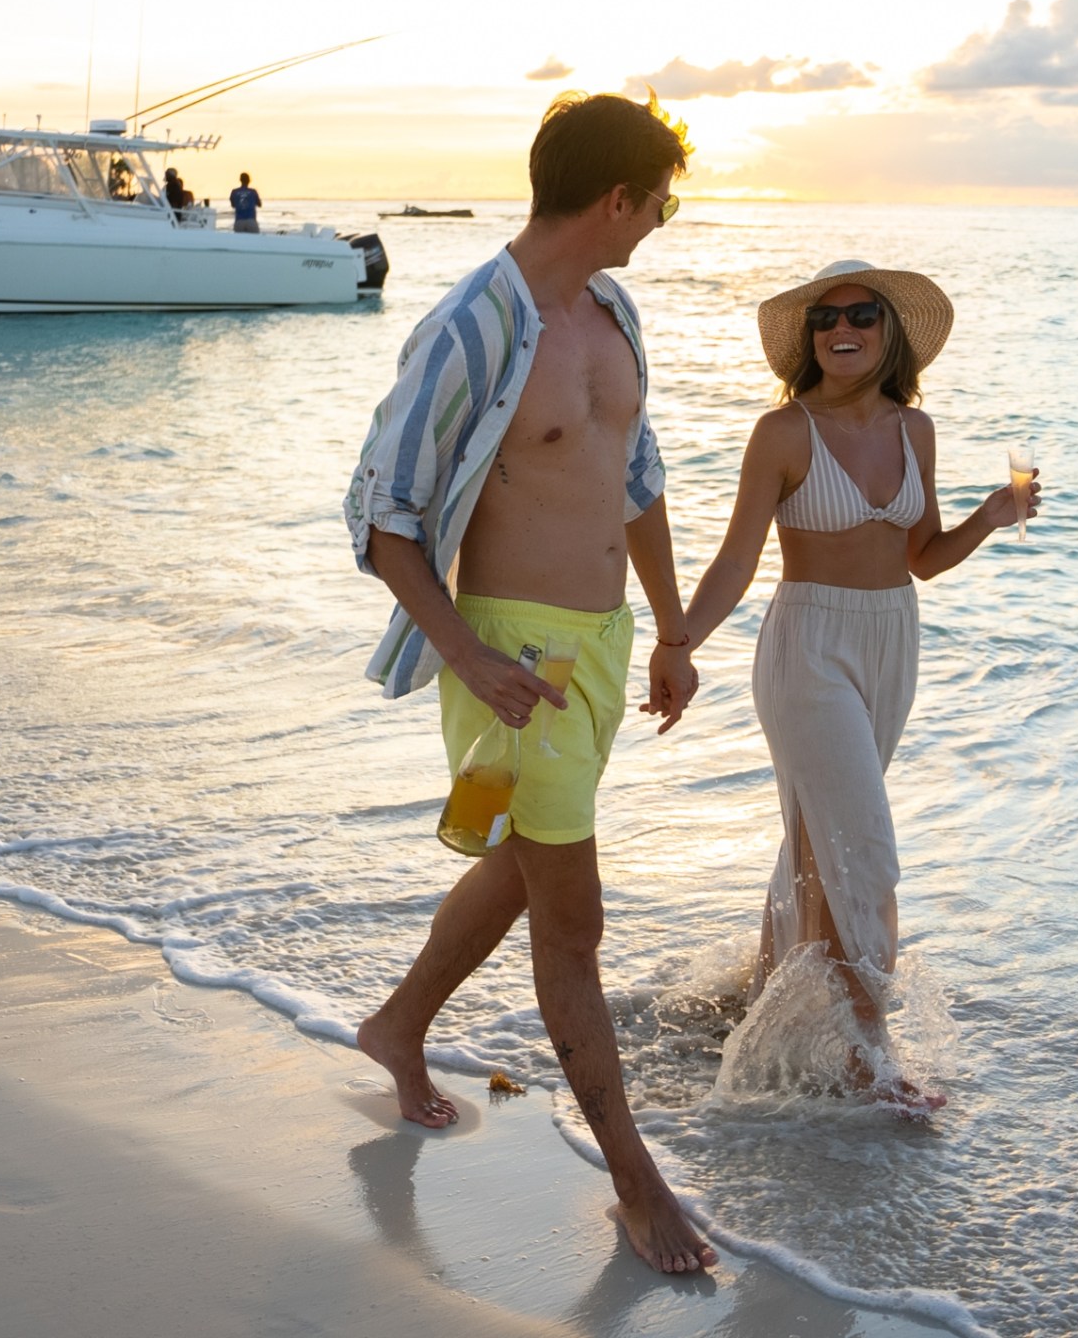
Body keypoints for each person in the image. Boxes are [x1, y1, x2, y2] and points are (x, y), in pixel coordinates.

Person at [343, 91, 716, 1274]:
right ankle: (638, 1184)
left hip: (601, 646)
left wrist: (666, 629)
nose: (666, 217)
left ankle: (398, 1027)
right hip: (516, 657)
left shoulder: (612, 310)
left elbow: (634, 476)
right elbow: (382, 515)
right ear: (618, 197)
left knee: (521, 859)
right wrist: (469, 656)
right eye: (662, 197)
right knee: (574, 920)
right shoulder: (470, 328)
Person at [673, 260, 1040, 1108]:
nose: (843, 328)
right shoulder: (784, 433)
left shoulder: (917, 431)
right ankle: (866, 1060)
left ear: (889, 332)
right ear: (808, 339)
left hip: (890, 641)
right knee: (863, 852)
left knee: (818, 840)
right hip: (808, 644)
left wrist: (989, 518)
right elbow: (736, 558)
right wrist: (679, 643)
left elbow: (922, 557)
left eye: (862, 314)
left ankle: (761, 1005)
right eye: (825, 316)